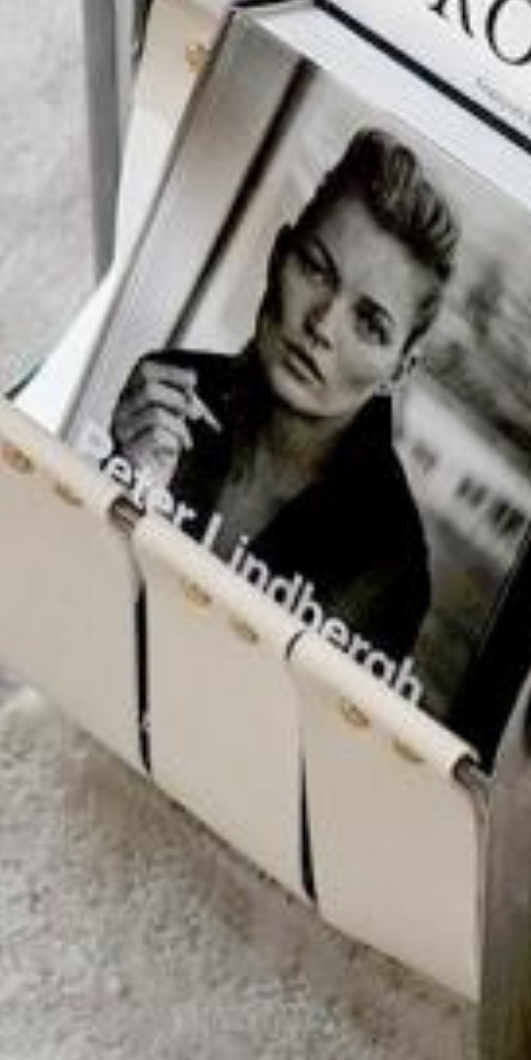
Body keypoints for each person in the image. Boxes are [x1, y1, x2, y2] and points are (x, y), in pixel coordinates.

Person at [110, 126, 459, 663]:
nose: (322, 324)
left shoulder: (391, 566)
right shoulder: (166, 389)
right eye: (316, 269)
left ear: (400, 370)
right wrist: (128, 485)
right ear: (278, 257)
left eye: (369, 323)